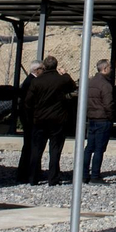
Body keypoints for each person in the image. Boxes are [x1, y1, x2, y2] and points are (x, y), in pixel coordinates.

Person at [18, 57, 73, 185]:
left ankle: (33, 177)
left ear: (44, 67)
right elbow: (72, 85)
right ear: (56, 66)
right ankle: (53, 178)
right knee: (55, 150)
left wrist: (35, 112)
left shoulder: (37, 82)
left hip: (40, 120)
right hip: (57, 119)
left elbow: (28, 102)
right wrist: (64, 73)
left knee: (36, 149)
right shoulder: (61, 80)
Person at [82, 60, 115, 184]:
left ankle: (84, 174)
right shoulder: (105, 85)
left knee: (89, 147)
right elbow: (108, 104)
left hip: (92, 118)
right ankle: (95, 175)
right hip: (103, 119)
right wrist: (111, 117)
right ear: (105, 69)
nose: (111, 69)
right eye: (110, 67)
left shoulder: (90, 83)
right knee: (99, 149)